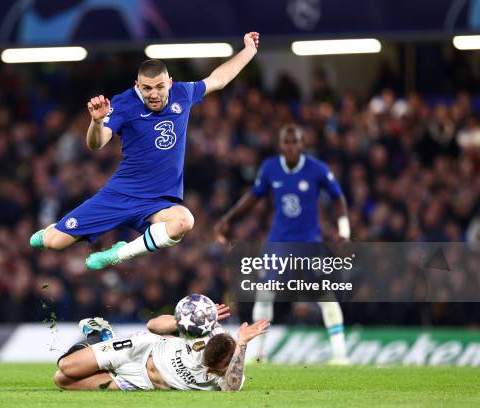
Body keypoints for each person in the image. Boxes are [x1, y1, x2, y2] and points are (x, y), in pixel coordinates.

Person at [30, 32, 260, 270]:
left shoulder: (183, 93)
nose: (154, 94)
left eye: (160, 87)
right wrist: (97, 122)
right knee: (54, 243)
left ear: (169, 83)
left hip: (159, 202)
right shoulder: (124, 104)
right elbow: (96, 144)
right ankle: (50, 232)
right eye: (147, 88)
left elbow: (218, 79)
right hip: (120, 195)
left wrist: (248, 51)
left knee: (183, 222)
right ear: (137, 86)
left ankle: (117, 253)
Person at [215, 124, 351, 364]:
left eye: (294, 142)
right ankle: (258, 355)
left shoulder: (316, 169)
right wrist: (228, 218)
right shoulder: (270, 168)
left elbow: (338, 197)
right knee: (265, 294)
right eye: (286, 143)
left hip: (309, 242)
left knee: (324, 295)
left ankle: (340, 355)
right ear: (281, 145)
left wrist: (344, 231)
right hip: (278, 242)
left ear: (302, 144)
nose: (290, 147)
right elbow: (253, 197)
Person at [53, 307, 269, 391]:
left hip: (138, 381)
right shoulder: (203, 331)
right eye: (207, 366)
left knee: (61, 381)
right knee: (65, 366)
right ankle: (99, 336)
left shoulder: (232, 370)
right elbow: (153, 325)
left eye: (212, 371)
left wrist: (242, 344)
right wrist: (186, 320)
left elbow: (232, 388)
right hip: (139, 350)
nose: (208, 373)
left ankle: (103, 344)